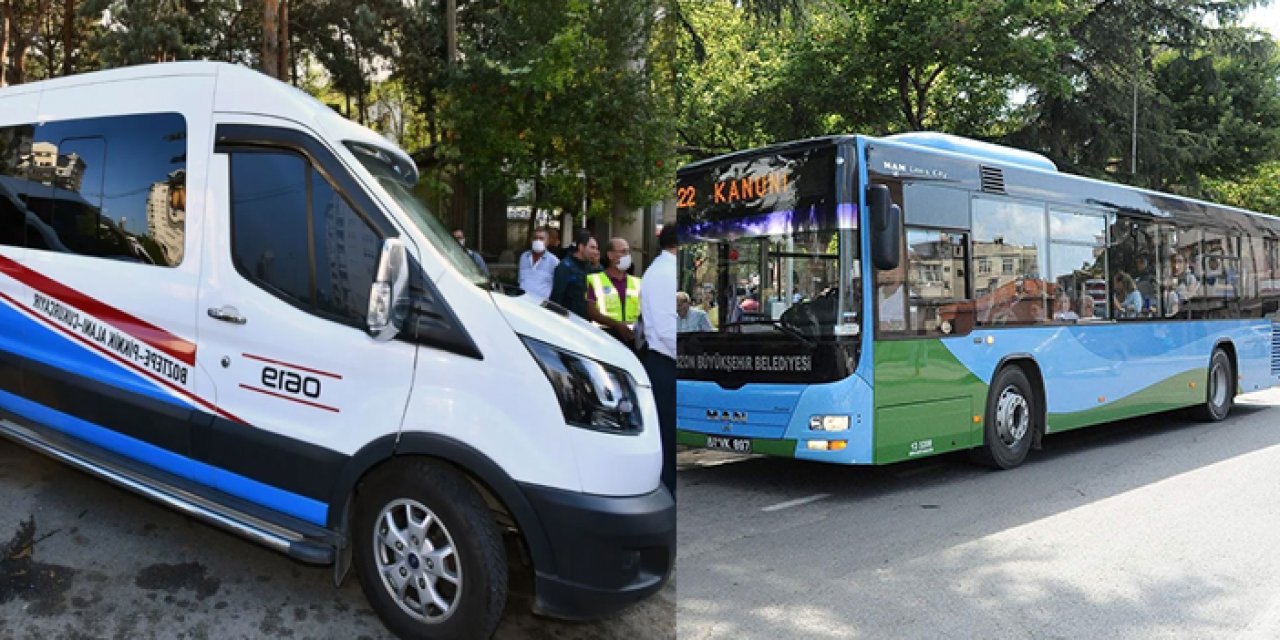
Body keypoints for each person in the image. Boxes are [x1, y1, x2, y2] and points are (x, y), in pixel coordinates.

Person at [641, 225, 677, 497]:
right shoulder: (665, 273)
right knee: (667, 436)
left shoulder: (661, 269)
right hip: (666, 362)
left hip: (664, 360)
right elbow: (667, 332)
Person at [586, 237, 640, 345]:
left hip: (632, 339)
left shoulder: (637, 282)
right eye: (623, 251)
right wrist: (616, 325)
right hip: (604, 337)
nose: (627, 255)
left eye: (628, 252)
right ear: (610, 255)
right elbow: (591, 311)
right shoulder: (596, 280)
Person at [549, 228, 600, 319]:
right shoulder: (565, 266)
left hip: (586, 320)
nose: (595, 252)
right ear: (581, 247)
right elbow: (556, 297)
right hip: (569, 320)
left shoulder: (590, 267)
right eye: (592, 247)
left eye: (596, 248)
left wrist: (597, 266)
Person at [518, 227, 559, 300]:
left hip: (541, 306)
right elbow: (520, 280)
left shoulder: (554, 261)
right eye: (535, 238)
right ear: (531, 240)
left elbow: (557, 287)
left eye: (541, 238)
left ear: (547, 242)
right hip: (522, 303)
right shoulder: (524, 257)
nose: (538, 241)